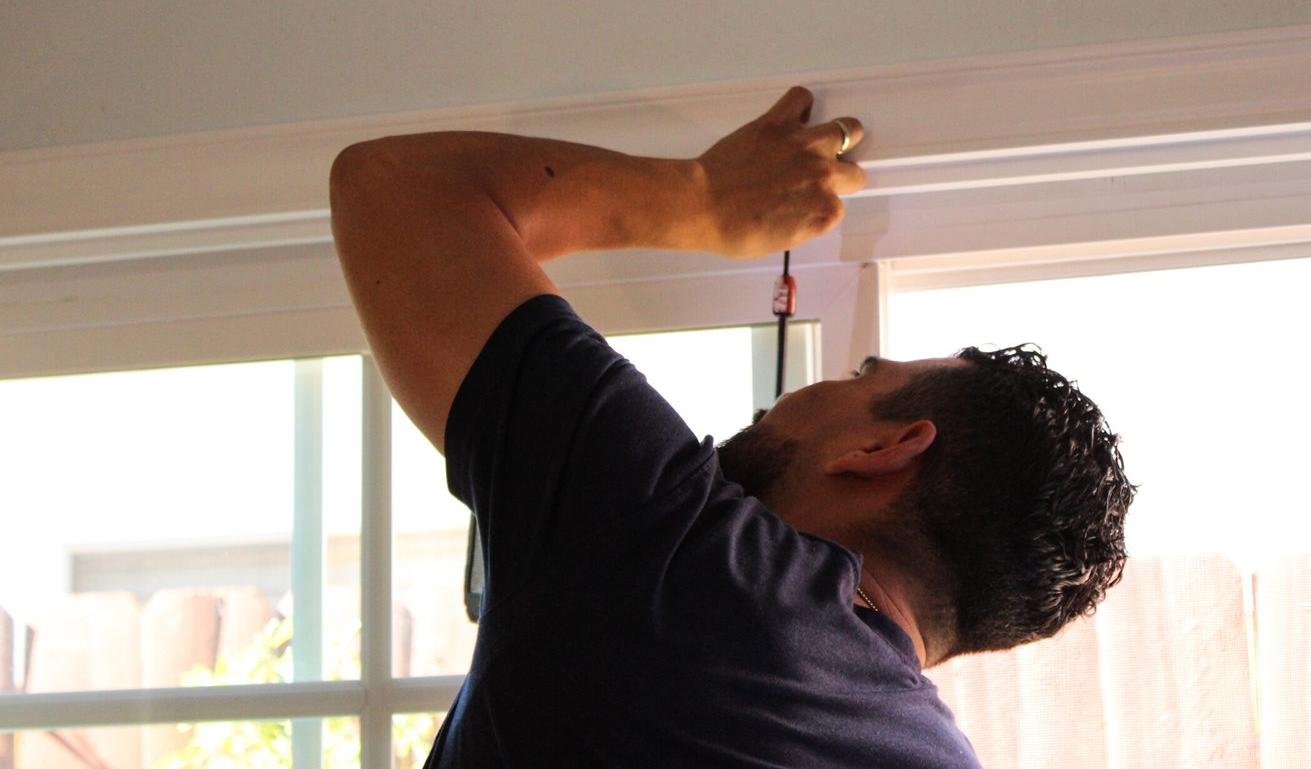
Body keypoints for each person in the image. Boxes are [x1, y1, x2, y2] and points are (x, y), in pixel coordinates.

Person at [329, 86, 1134, 767]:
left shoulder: (674, 547)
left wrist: (704, 195)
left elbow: (398, 188)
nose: (787, 401)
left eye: (861, 377)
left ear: (884, 448)